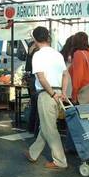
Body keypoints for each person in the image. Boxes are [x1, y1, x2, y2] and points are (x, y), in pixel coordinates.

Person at [25, 26, 69, 169]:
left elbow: (42, 79)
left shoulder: (38, 55)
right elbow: (65, 75)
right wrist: (62, 92)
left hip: (46, 94)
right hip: (58, 93)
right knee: (46, 126)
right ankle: (33, 153)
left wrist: (52, 94)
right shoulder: (57, 54)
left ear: (35, 39)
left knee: (50, 128)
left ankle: (60, 161)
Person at [69, 32, 89, 104]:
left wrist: (74, 96)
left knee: (78, 114)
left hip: (83, 92)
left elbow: (78, 77)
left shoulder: (78, 54)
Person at [24, 42, 40, 136]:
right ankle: (36, 130)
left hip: (31, 78)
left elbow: (28, 67)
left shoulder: (30, 54)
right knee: (37, 106)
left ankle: (31, 127)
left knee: (34, 105)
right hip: (36, 78)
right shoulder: (37, 53)